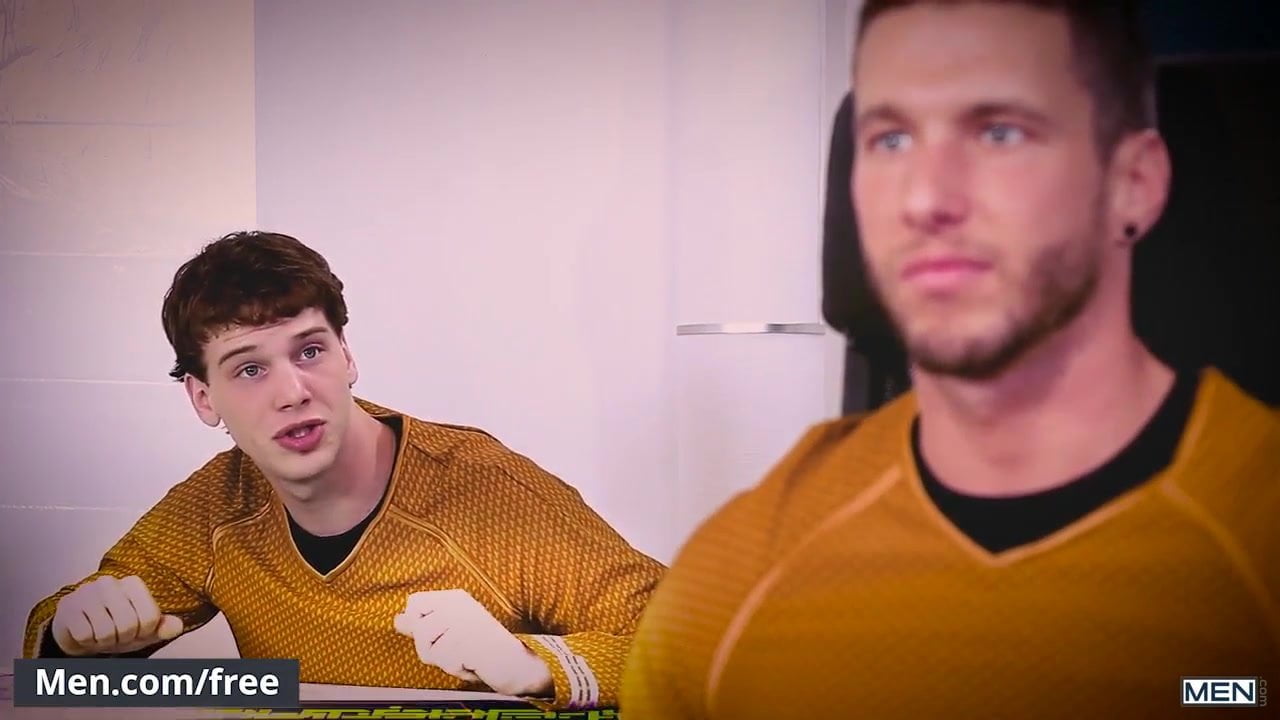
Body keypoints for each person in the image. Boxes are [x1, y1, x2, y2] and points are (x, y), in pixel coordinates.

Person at [621, 2, 1280, 718]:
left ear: (1135, 183)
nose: (926, 198)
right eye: (891, 140)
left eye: (1000, 132)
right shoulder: (730, 585)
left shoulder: (1254, 541)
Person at [23, 231, 664, 710]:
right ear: (203, 398)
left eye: (309, 351)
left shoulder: (488, 491)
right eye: (250, 368)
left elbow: (692, 642)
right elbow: (51, 672)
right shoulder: (216, 506)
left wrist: (535, 666)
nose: (293, 391)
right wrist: (67, 640)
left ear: (347, 356)